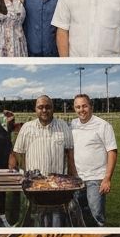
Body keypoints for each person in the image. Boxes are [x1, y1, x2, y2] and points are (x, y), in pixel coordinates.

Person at [12, 95, 74, 226]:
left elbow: (69, 153)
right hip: (34, 185)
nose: (44, 110)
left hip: (57, 185)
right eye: (41, 107)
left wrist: (72, 176)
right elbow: (18, 152)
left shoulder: (63, 126)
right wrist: (25, 172)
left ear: (53, 108)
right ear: (35, 109)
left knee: (57, 220)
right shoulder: (27, 128)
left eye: (48, 107)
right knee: (35, 220)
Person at [70, 94, 117, 227]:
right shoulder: (72, 125)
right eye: (78, 107)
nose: (81, 110)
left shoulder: (103, 125)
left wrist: (107, 178)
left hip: (96, 179)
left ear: (91, 106)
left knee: (96, 215)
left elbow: (112, 152)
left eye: (84, 106)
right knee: (78, 214)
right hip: (77, 179)